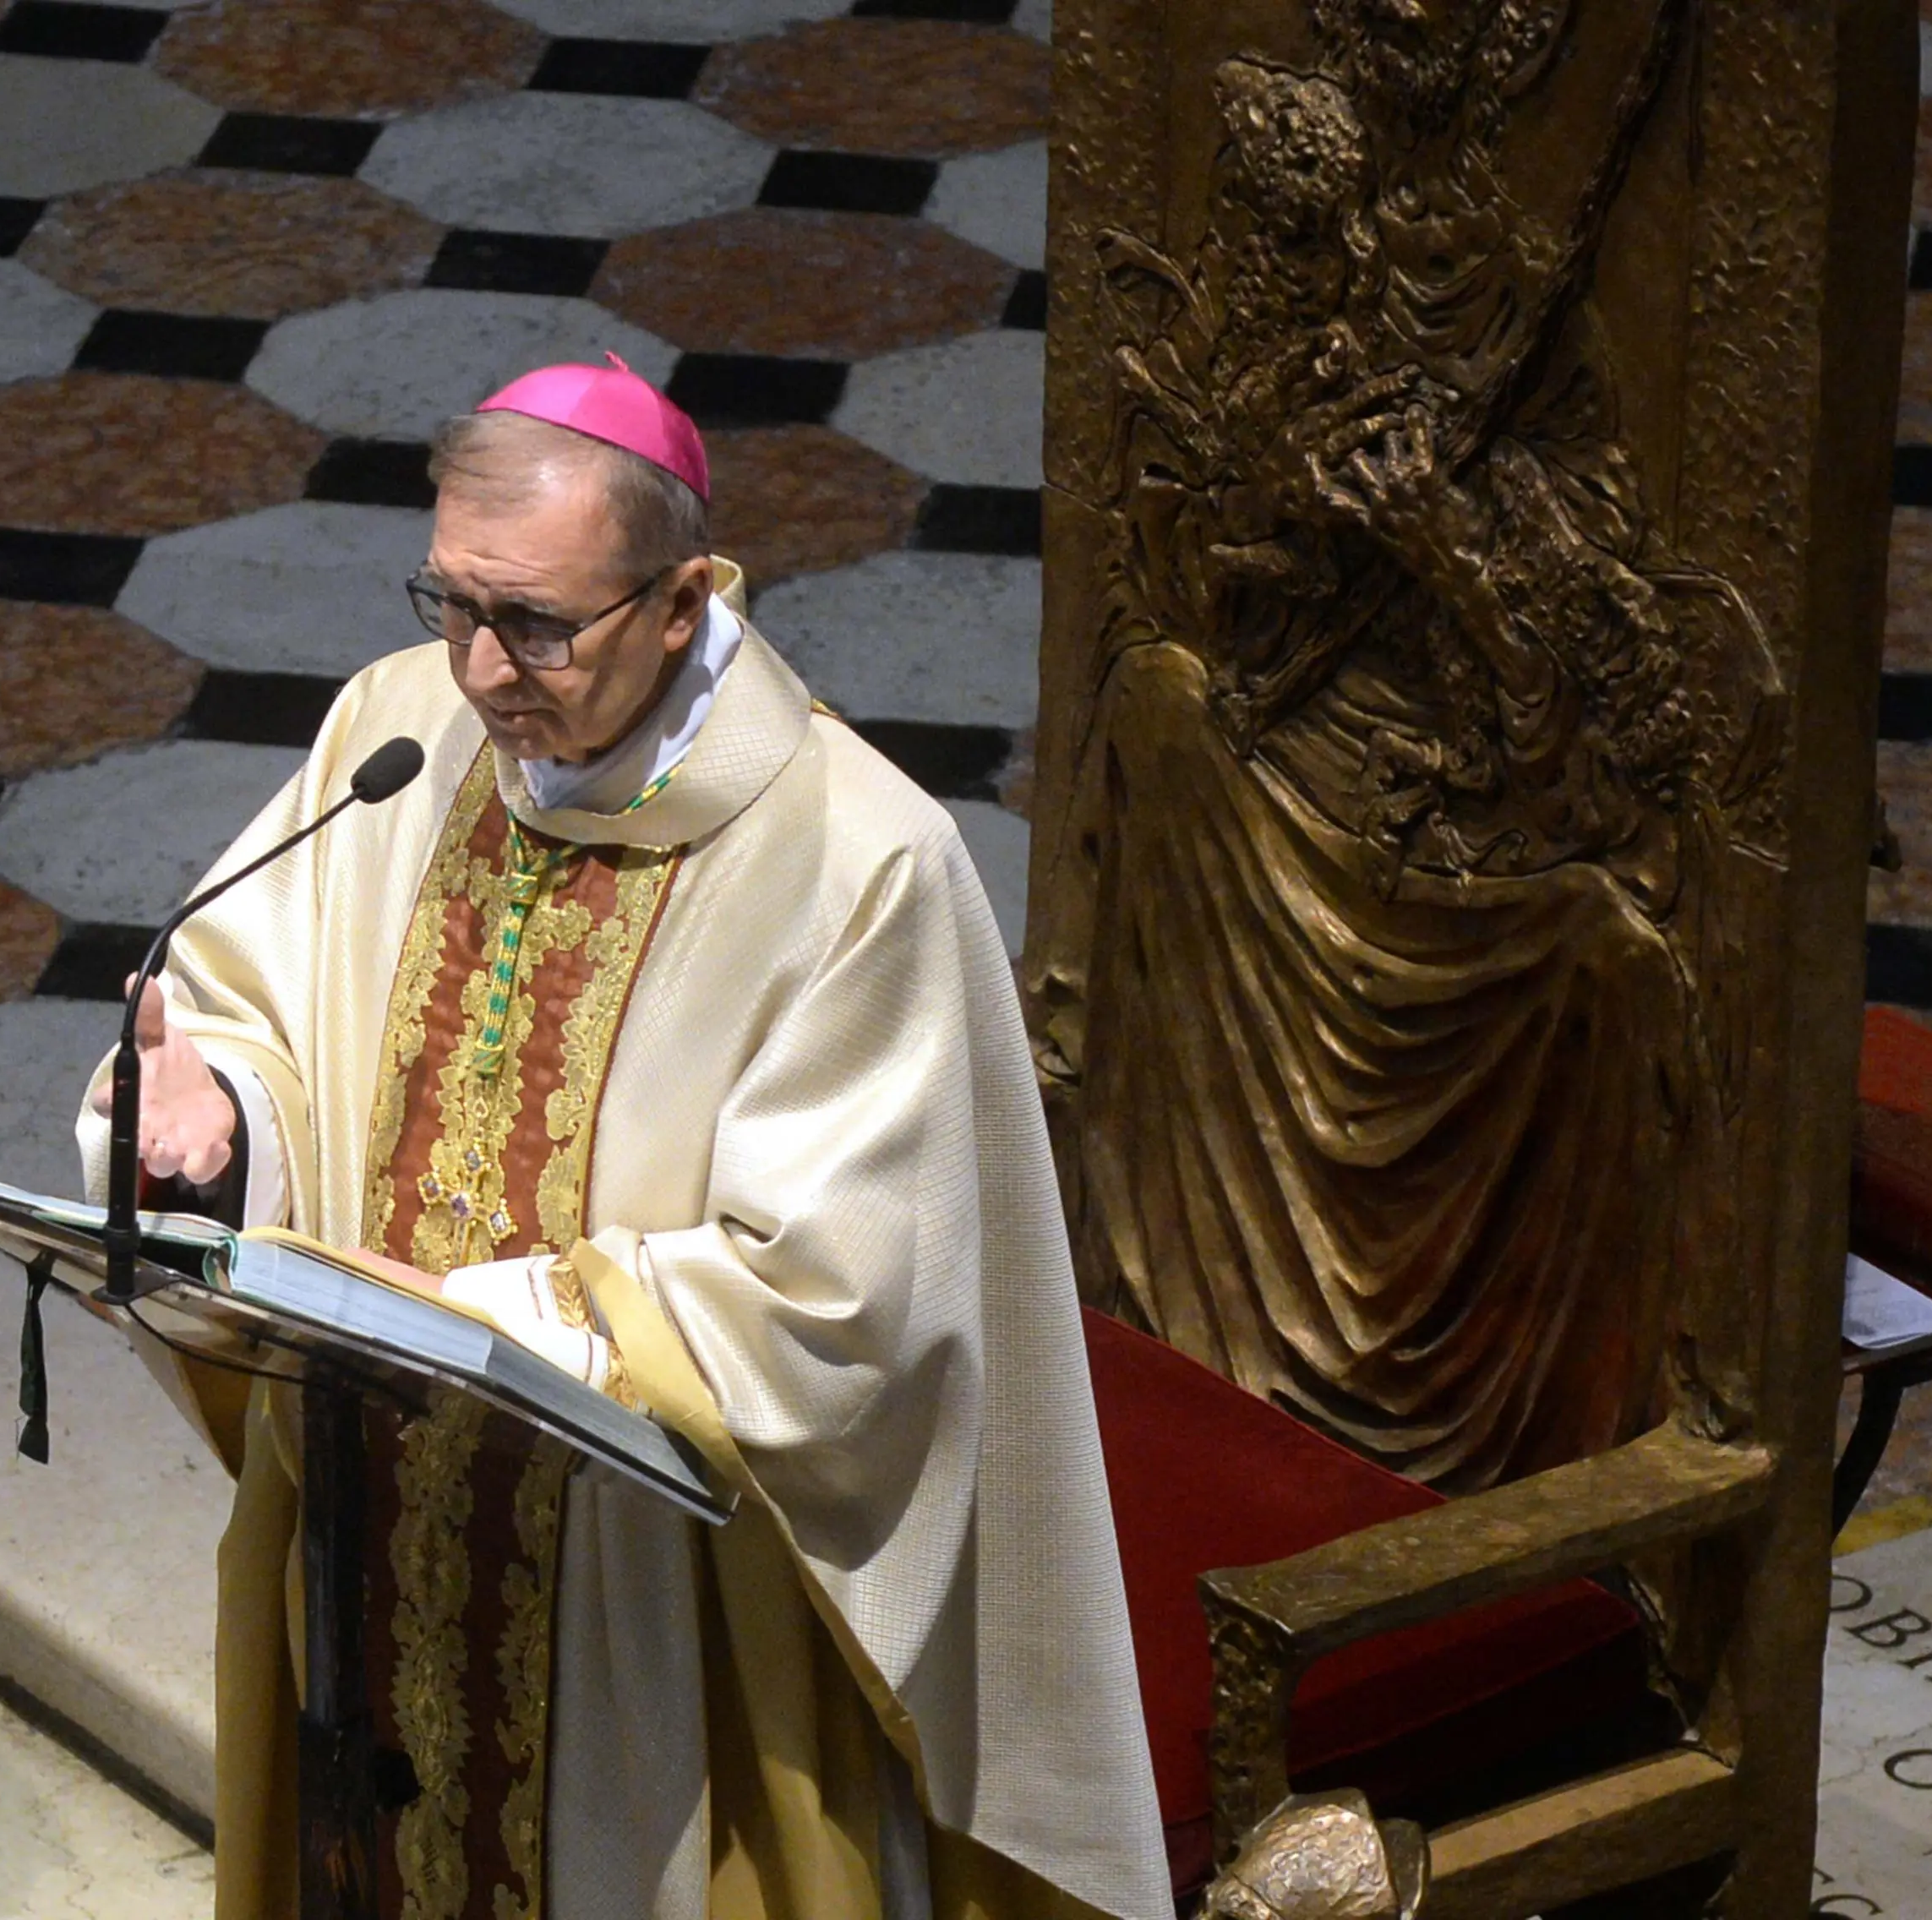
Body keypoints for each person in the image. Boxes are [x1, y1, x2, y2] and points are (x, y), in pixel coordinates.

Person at [77, 357, 1165, 1919]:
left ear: (681, 598)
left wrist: (471, 1324)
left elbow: (834, 1303)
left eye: (533, 624)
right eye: (450, 603)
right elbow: (267, 1009)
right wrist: (221, 1128)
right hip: (372, 1501)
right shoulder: (395, 729)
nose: (477, 671)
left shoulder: (857, 861)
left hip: (654, 1575)